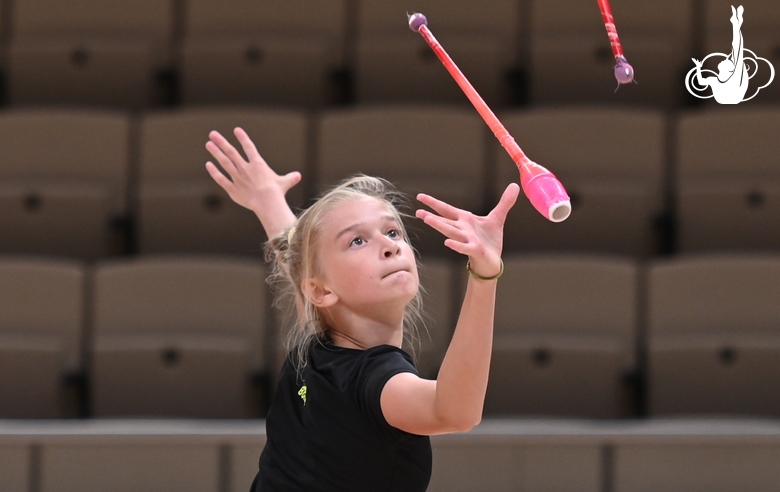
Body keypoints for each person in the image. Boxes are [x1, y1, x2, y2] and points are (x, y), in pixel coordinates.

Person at [205, 127, 519, 492]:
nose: (389, 247)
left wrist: (268, 201)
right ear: (321, 291)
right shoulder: (376, 380)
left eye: (393, 232)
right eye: (357, 240)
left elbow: (301, 262)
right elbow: (455, 411)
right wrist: (484, 276)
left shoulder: (319, 342)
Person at [692, 5, 748, 104]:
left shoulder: (734, 77)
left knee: (737, 50)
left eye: (727, 62)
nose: (725, 59)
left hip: (733, 97)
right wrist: (698, 67)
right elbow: (700, 82)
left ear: (729, 69)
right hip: (727, 98)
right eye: (728, 60)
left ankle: (736, 23)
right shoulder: (714, 80)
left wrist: (736, 26)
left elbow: (737, 48)